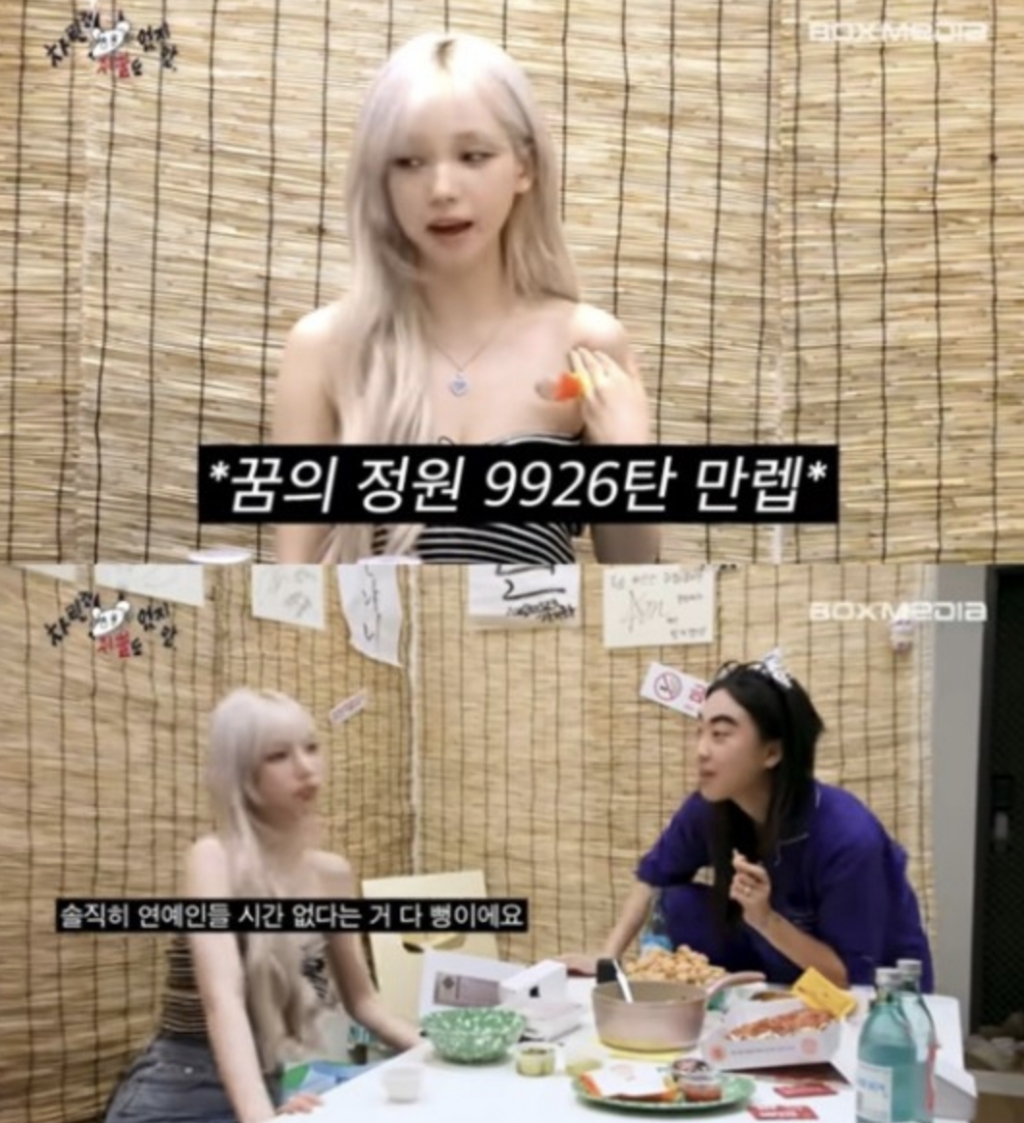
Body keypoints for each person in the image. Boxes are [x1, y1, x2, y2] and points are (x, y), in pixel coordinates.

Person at [272, 31, 659, 565]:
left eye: (474, 156)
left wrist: (627, 460)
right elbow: (293, 591)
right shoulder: (323, 351)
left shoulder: (586, 348)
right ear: (381, 179)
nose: (442, 189)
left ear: (524, 167)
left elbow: (634, 585)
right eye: (409, 162)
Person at [103, 689, 420, 1123]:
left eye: (311, 747)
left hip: (272, 1081)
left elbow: (364, 1002)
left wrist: (435, 1051)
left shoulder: (332, 875)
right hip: (185, 1088)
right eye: (278, 756)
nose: (305, 767)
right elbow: (223, 999)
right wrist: (260, 1114)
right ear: (241, 774)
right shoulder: (213, 859)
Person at [561, 653, 935, 991]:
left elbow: (849, 977)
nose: (701, 750)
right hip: (774, 956)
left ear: (771, 752)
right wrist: (607, 961)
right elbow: (654, 876)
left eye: (720, 734)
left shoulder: (848, 837)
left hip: (876, 991)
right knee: (679, 903)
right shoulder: (711, 806)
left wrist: (765, 918)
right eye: (700, 732)